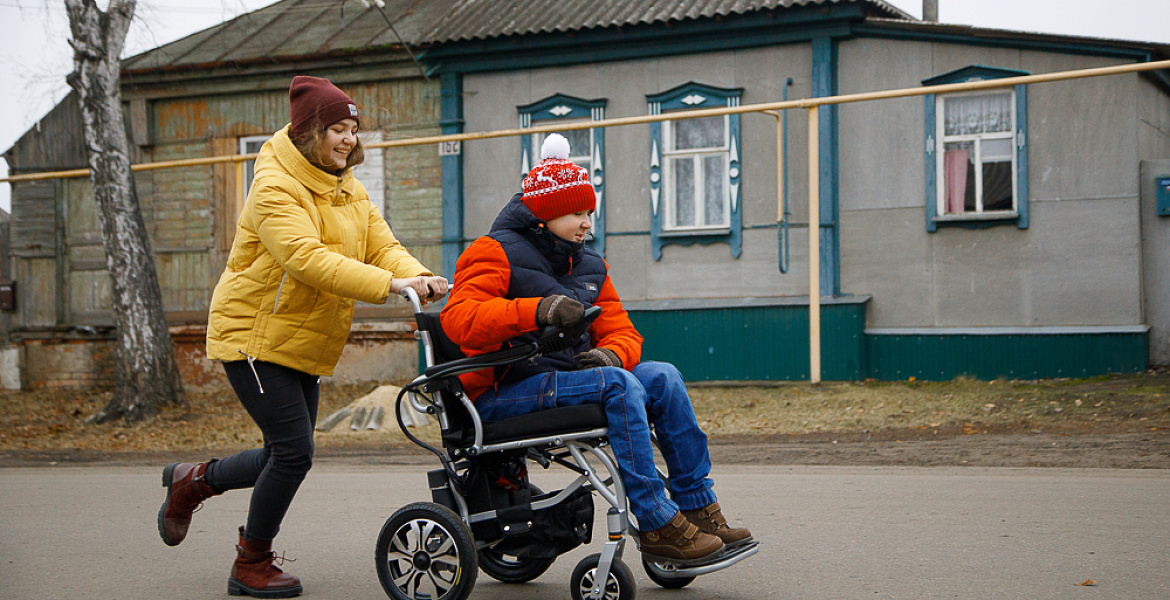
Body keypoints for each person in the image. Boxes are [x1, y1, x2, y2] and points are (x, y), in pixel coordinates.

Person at [156, 75, 448, 598]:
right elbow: (307, 259)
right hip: (252, 337)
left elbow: (383, 247)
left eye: (353, 129)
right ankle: (250, 562)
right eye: (337, 128)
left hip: (302, 340)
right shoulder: (273, 187)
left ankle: (193, 481)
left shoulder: (349, 190)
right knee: (294, 452)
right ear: (311, 132)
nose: (347, 139)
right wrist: (390, 286)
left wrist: (418, 275)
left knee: (283, 452)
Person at [440, 133, 751, 564]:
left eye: (590, 211)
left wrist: (611, 355)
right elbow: (460, 321)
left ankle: (697, 508)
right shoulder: (492, 252)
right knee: (619, 386)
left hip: (568, 381)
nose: (588, 222)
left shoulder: (590, 264)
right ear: (545, 214)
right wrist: (539, 310)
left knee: (662, 377)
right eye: (576, 212)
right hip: (505, 390)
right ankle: (657, 521)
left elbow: (624, 332)